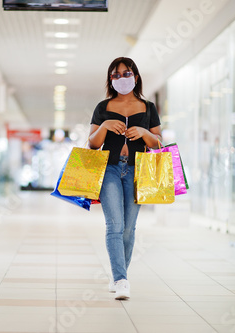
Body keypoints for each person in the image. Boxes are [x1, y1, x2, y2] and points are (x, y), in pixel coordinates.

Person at [88, 57, 162, 300]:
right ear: (111, 79)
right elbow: (93, 144)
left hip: (136, 170)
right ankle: (121, 280)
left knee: (129, 229)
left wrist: (143, 132)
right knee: (115, 226)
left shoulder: (148, 107)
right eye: (116, 74)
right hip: (108, 169)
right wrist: (105, 126)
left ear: (136, 77)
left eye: (126, 73)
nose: (121, 78)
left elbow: (158, 143)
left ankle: (119, 274)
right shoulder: (103, 107)